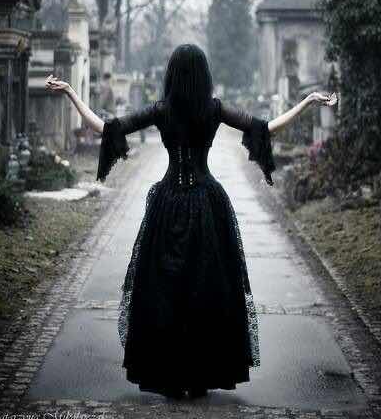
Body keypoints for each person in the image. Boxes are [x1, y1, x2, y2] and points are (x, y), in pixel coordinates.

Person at [45, 43, 337, 400]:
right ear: (204, 76)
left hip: (167, 204)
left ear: (171, 75)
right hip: (207, 204)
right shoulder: (213, 109)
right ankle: (199, 375)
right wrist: (307, 102)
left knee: (164, 289)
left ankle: (171, 374)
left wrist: (71, 92)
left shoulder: (162, 110)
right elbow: (266, 128)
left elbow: (106, 128)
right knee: (208, 289)